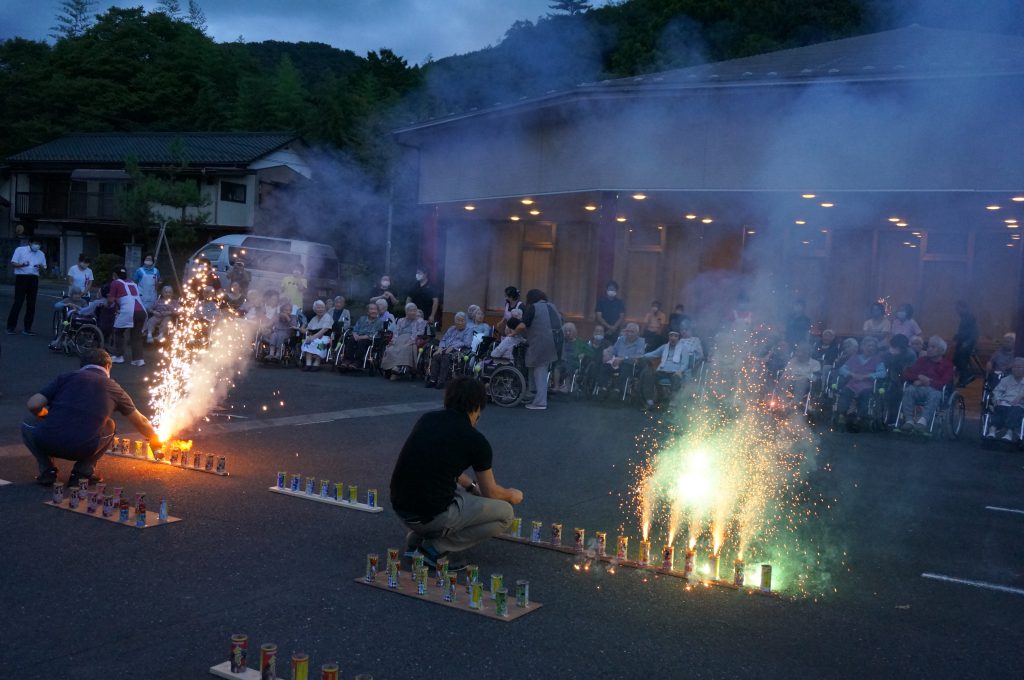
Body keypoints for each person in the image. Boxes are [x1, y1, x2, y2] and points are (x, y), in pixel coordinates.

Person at [390, 377, 523, 567]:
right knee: (505, 513)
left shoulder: (427, 419)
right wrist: (511, 495)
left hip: (401, 507)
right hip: (430, 516)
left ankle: (417, 539)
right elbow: (491, 493)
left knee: (458, 492)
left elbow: (438, 463)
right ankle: (434, 548)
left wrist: (471, 486)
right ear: (477, 407)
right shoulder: (475, 440)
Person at [22, 348, 161, 487]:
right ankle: (82, 472)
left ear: (82, 365)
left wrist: (44, 414)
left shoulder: (65, 378)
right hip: (83, 447)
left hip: (48, 441)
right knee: (110, 425)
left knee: (28, 423)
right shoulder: (114, 388)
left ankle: (47, 470)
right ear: (107, 366)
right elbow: (141, 421)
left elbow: (33, 404)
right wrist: (155, 440)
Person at [900, 335, 955, 432]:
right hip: (918, 388)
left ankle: (922, 422)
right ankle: (909, 420)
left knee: (935, 395)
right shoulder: (922, 360)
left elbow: (944, 383)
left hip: (935, 390)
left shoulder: (947, 365)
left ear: (941, 350)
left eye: (933, 347)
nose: (929, 349)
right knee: (909, 390)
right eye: (928, 346)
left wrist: (928, 381)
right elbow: (907, 373)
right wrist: (919, 377)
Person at [639, 328, 701, 409]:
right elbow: (652, 354)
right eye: (671, 335)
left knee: (676, 378)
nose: (673, 338)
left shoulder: (683, 348)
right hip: (662, 370)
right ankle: (649, 401)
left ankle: (673, 402)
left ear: (678, 338)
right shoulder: (664, 347)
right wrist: (641, 356)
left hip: (675, 371)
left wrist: (680, 371)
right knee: (648, 374)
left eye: (675, 336)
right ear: (669, 337)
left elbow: (685, 363)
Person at [522, 289, 562, 410]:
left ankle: (540, 401)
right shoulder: (552, 306)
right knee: (538, 367)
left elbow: (523, 325)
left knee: (539, 369)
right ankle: (533, 393)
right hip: (557, 341)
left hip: (542, 341)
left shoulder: (533, 307)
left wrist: (513, 332)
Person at [836, 336, 886, 426]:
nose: (871, 348)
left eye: (873, 346)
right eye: (869, 345)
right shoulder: (855, 358)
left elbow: (882, 373)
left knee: (865, 395)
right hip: (853, 382)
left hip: (868, 384)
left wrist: (868, 376)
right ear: (862, 347)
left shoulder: (878, 360)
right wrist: (852, 374)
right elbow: (842, 369)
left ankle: (859, 418)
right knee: (845, 392)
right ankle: (841, 415)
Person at [6, 237, 47, 335]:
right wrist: (22, 265)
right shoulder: (20, 250)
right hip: (22, 277)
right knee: (18, 302)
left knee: (31, 304)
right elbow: (13, 263)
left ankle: (27, 328)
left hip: (34, 278)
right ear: (30, 243)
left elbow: (44, 267)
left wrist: (41, 267)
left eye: (39, 244)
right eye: (35, 243)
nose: (37, 245)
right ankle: (10, 327)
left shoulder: (41, 254)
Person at [110, 266, 148, 366]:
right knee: (136, 335)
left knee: (118, 331)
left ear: (115, 274)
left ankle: (118, 356)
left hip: (129, 311)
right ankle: (138, 359)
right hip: (142, 311)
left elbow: (111, 300)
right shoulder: (132, 283)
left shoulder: (115, 283)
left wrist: (108, 305)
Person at [425, 312, 474, 388]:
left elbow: (467, 343)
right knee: (436, 356)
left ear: (466, 321)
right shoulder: (451, 329)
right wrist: (440, 348)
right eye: (458, 320)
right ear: (455, 321)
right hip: (446, 348)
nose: (460, 322)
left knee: (445, 357)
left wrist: (453, 347)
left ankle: (441, 381)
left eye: (462, 320)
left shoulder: (468, 330)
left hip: (460, 350)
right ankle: (433, 380)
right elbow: (444, 339)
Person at [596, 322, 647, 394]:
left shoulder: (641, 341)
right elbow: (614, 349)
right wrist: (607, 353)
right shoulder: (621, 339)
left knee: (625, 368)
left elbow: (639, 356)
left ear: (637, 333)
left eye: (632, 332)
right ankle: (603, 387)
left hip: (630, 364)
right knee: (605, 366)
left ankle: (617, 390)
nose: (629, 333)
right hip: (616, 362)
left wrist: (623, 359)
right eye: (627, 331)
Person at [382, 303, 427, 379]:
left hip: (411, 339)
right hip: (399, 339)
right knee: (390, 349)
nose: (413, 312)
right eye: (410, 311)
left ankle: (397, 367)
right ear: (406, 312)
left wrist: (411, 341)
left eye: (414, 311)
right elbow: (396, 332)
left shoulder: (420, 321)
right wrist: (393, 341)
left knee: (404, 348)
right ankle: (390, 368)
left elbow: (420, 333)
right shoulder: (401, 320)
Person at [986, 358, 1024, 441]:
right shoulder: (1006, 380)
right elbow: (997, 391)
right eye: (1015, 367)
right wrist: (997, 399)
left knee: (1015, 410)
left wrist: (1020, 397)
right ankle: (992, 430)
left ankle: (1009, 433)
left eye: (1019, 367)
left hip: (1020, 405)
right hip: (1004, 402)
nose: (1016, 369)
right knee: (1000, 408)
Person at [341, 303, 384, 368]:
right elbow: (355, 329)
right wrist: (355, 335)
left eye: (375, 309)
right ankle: (347, 360)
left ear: (377, 311)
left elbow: (375, 334)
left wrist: (361, 337)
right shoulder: (362, 319)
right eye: (371, 309)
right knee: (351, 340)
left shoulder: (379, 322)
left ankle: (358, 362)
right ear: (367, 312)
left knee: (362, 342)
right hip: (358, 336)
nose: (374, 311)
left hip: (370, 340)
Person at [552, 321, 591, 392]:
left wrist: (584, 354)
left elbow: (590, 352)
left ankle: (567, 386)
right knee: (557, 367)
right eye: (566, 331)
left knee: (568, 366)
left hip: (574, 362)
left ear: (574, 332)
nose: (567, 333)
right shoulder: (562, 342)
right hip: (563, 361)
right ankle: (556, 386)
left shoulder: (580, 342)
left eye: (569, 331)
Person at [780, 343, 821, 408]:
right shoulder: (793, 361)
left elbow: (815, 378)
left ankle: (795, 404)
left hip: (805, 384)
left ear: (807, 353)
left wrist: (803, 375)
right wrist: (784, 378)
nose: (798, 354)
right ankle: (781, 403)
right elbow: (786, 372)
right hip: (791, 381)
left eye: (800, 352)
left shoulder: (815, 363)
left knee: (801, 382)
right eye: (797, 351)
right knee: (784, 381)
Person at [299, 300, 333, 371]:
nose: (320, 309)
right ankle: (308, 363)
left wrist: (312, 338)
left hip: (325, 336)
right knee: (307, 342)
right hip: (314, 335)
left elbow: (324, 330)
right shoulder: (314, 318)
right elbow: (308, 330)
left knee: (319, 343)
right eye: (318, 308)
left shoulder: (327, 317)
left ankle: (316, 364)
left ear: (325, 308)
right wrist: (300, 329)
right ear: (315, 309)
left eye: (322, 307)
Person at [952, 300, 978, 387]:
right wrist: (956, 338)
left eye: (958, 308)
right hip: (964, 343)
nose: (956, 310)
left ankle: (965, 378)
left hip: (966, 344)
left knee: (961, 361)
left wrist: (966, 343)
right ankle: (965, 378)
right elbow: (963, 332)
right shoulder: (965, 317)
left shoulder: (969, 317)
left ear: (963, 307)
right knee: (958, 361)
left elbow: (972, 332)